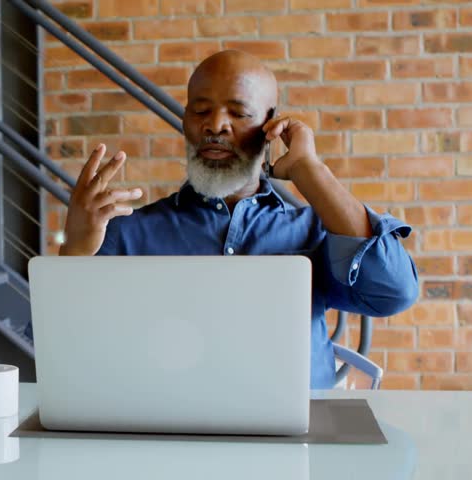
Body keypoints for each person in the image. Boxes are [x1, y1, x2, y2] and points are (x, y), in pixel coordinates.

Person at [58, 50, 418, 389]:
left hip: (298, 444)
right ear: (185, 121)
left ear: (270, 123)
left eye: (239, 112)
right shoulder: (125, 233)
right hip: (168, 440)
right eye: (200, 111)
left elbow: (393, 293)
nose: (215, 125)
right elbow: (61, 353)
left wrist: (311, 170)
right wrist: (75, 251)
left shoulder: (315, 233)